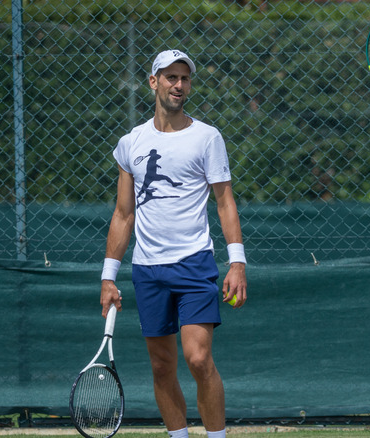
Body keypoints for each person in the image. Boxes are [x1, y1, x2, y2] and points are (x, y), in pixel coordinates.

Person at [99, 49, 247, 438]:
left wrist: (237, 262)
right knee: (162, 366)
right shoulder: (130, 143)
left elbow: (224, 200)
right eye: (170, 77)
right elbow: (123, 214)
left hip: (195, 264)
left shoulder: (207, 137)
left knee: (198, 359)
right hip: (148, 270)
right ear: (154, 82)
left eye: (185, 78)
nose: (179, 85)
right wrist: (108, 277)